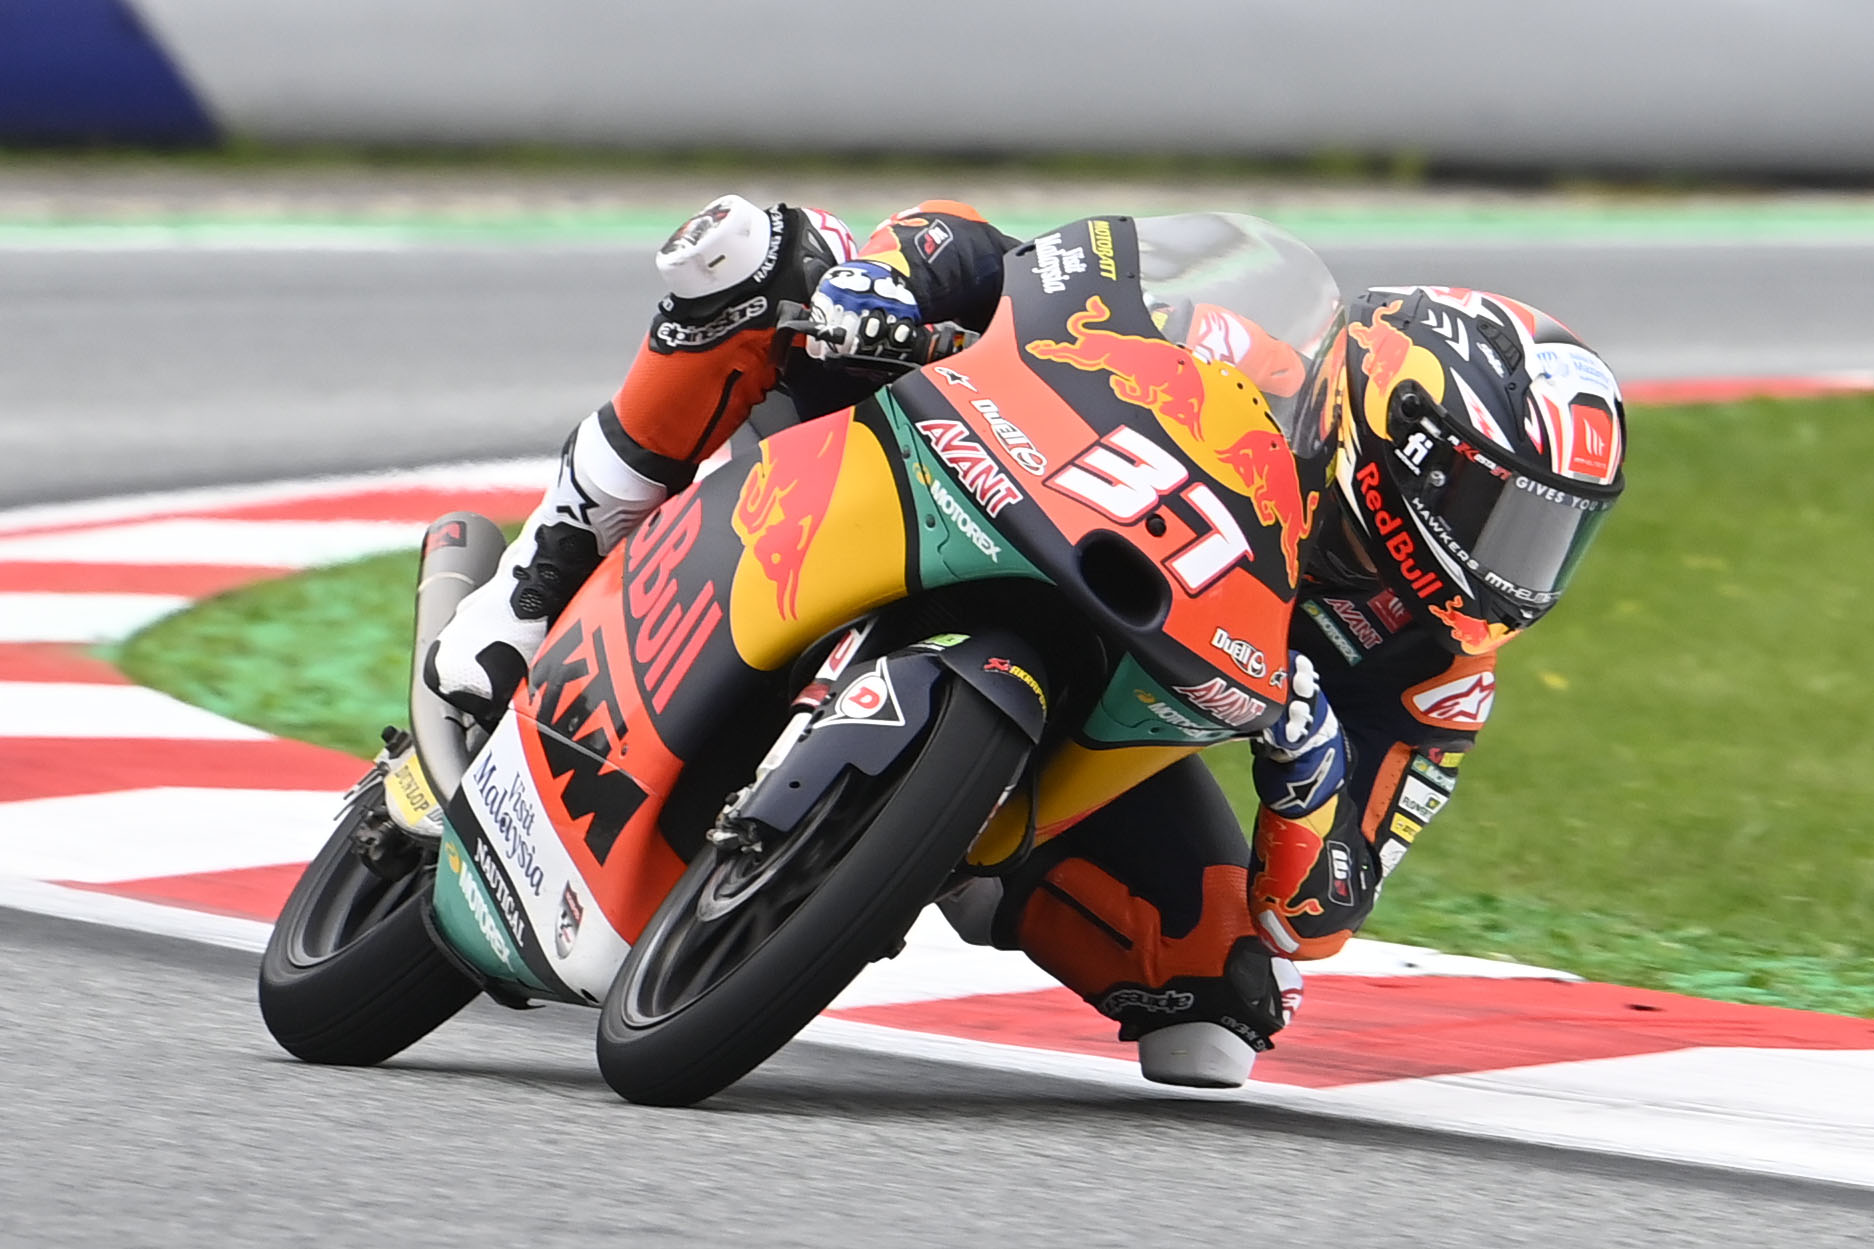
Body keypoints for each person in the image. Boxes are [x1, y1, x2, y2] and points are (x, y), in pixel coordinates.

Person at [426, 195, 1628, 1087]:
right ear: (1395, 438)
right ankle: (535, 584)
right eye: (1505, 519)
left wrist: (1308, 781)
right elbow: (1023, 261)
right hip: (953, 479)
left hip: (1097, 720)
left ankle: (939, 851)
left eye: (1554, 538)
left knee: (1226, 1003)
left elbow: (1318, 912)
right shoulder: (1248, 355)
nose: (1519, 570)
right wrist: (897, 282)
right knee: (763, 259)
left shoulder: (1437, 672)